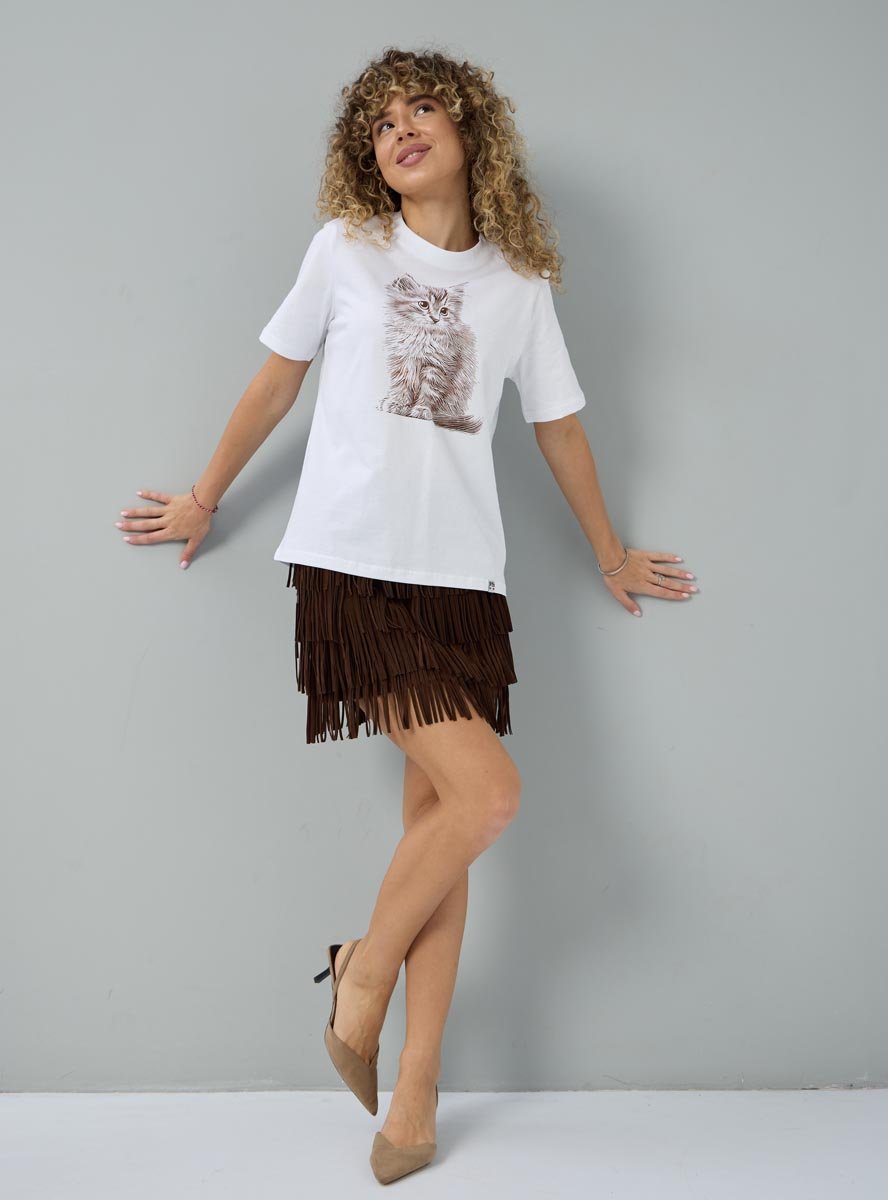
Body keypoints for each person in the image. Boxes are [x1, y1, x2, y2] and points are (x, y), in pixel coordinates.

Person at [115, 47, 697, 1185]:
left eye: (423, 109)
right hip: (355, 567)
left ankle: (416, 1091)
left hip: (466, 580)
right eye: (381, 124)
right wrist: (204, 496)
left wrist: (609, 551)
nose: (401, 131)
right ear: (368, 158)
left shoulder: (519, 285)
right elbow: (276, 380)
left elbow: (560, 428)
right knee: (489, 797)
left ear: (472, 131)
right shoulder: (346, 250)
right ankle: (364, 972)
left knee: (440, 824)